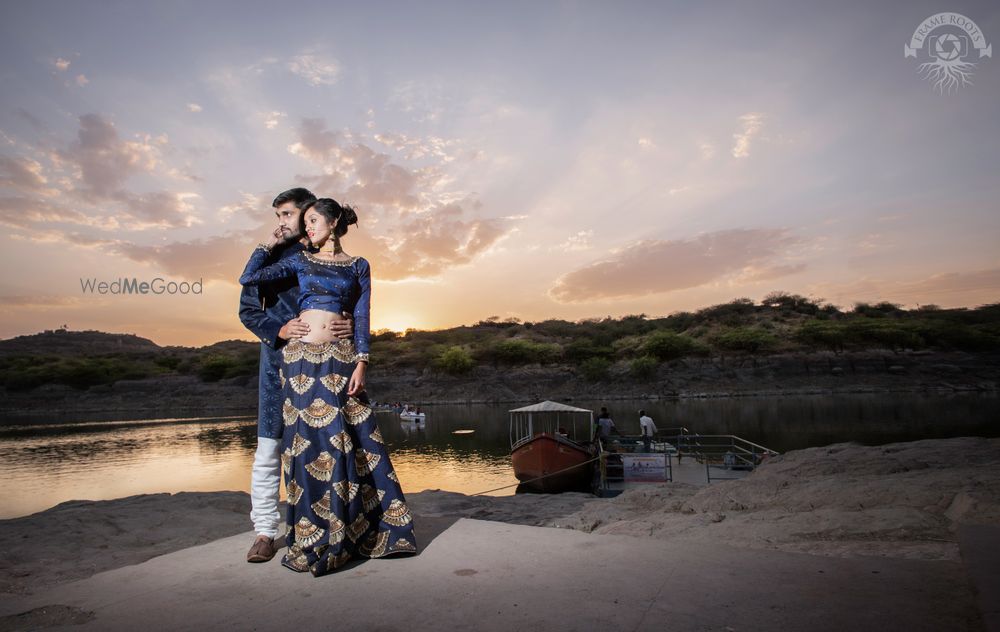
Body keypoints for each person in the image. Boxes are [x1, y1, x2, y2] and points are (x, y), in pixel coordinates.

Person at [239, 197, 417, 576]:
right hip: (298, 361)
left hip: (340, 358)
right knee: (301, 450)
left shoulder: (358, 265)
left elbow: (364, 314)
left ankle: (356, 531)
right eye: (298, 221)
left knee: (348, 444)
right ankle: (298, 534)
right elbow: (248, 282)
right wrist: (267, 245)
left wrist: (362, 358)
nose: (304, 227)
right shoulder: (296, 258)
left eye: (309, 219)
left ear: (332, 222)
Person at [238, 187, 355, 564]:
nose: (282, 223)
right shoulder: (268, 259)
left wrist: (348, 322)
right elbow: (246, 310)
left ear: (309, 213)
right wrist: (280, 328)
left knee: (327, 445)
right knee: (270, 448)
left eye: (287, 214)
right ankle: (265, 533)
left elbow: (352, 301)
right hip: (277, 364)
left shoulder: (329, 254)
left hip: (325, 363)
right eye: (278, 217)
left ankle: (331, 526)